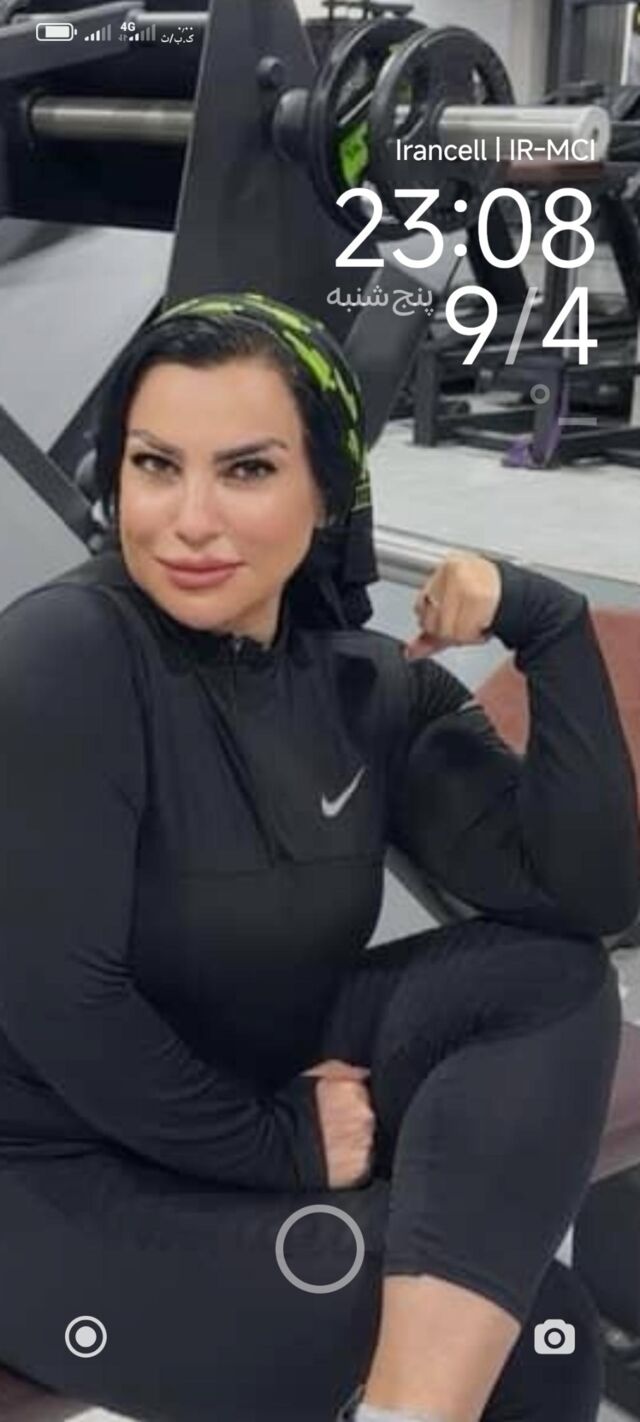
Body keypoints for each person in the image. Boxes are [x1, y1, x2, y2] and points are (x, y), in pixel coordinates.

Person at [0, 291, 637, 1422]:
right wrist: (282, 1146)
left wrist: (545, 622)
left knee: (549, 982)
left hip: (235, 1089)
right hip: (49, 1173)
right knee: (533, 1338)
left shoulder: (359, 681)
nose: (190, 520)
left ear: (327, 491)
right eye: (155, 466)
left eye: (246, 470)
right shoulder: (65, 654)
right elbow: (64, 1007)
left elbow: (580, 899)